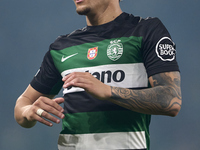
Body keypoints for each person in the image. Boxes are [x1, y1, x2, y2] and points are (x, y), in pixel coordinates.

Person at [14, 0, 182, 150]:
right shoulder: (61, 47)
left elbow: (170, 100)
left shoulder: (146, 31)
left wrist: (108, 91)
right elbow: (22, 105)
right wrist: (29, 111)